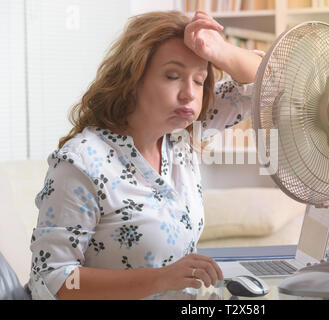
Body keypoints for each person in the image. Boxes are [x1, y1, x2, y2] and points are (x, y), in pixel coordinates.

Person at [27, 10, 263, 300]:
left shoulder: (181, 137)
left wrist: (219, 49)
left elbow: (265, 87)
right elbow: (54, 280)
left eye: (199, 80)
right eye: (173, 76)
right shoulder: (81, 162)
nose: (189, 94)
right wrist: (159, 279)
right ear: (132, 81)